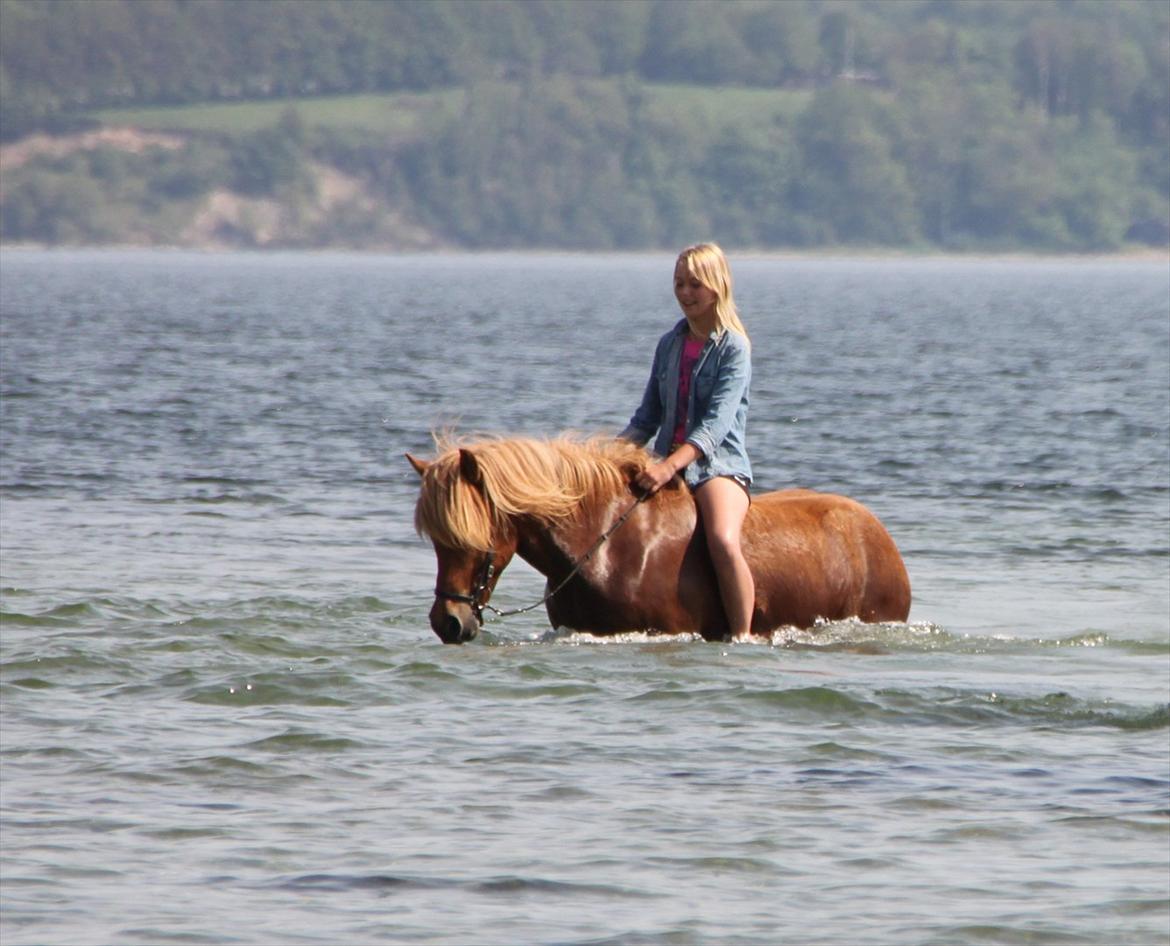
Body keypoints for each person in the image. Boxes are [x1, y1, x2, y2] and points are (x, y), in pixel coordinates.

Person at [619, 243, 755, 642]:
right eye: (679, 283)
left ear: (717, 286)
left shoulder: (734, 348)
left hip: (717, 468)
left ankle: (743, 636)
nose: (685, 293)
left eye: (695, 284)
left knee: (723, 540)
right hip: (662, 462)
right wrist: (603, 457)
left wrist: (667, 467)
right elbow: (646, 418)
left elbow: (713, 429)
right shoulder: (669, 344)